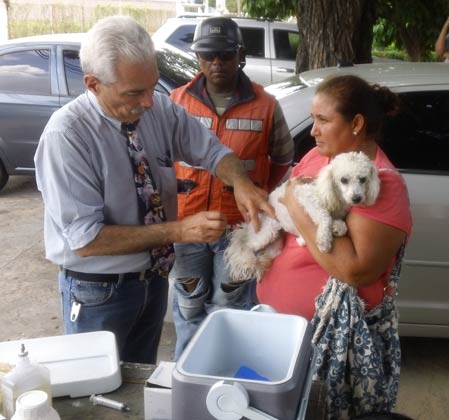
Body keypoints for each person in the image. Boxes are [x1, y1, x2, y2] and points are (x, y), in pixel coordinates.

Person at [34, 15, 273, 365]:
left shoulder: (157, 108)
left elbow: (212, 151)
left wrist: (241, 183)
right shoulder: (67, 136)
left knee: (138, 382)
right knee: (96, 392)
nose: (148, 102)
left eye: (151, 86)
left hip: (153, 279)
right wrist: (179, 230)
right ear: (92, 84)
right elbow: (86, 240)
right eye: (134, 92)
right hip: (98, 290)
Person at [168, 17, 294, 359]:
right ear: (198, 57)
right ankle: (188, 374)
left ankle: (221, 373)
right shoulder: (176, 101)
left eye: (224, 55)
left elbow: (283, 160)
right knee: (189, 306)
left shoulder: (266, 105)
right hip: (187, 227)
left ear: (240, 55)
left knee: (230, 307)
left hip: (240, 228)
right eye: (208, 55)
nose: (216, 63)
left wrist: (260, 193)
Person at [256, 74, 412, 322]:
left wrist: (296, 206)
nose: (313, 130)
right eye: (313, 119)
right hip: (281, 320)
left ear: (356, 123)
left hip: (329, 335)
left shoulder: (379, 182)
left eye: (323, 120)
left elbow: (355, 270)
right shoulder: (318, 156)